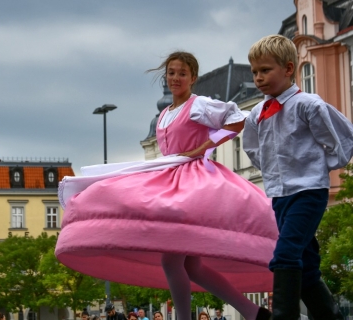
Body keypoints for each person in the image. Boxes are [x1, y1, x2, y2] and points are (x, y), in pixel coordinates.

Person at [55, 51, 278, 320]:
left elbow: (237, 118)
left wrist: (206, 146)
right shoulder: (164, 115)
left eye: (182, 73)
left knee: (171, 261)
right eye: (171, 73)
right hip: (173, 177)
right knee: (191, 266)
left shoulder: (198, 105)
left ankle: (219, 315)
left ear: (192, 78)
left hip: (192, 182)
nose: (175, 78)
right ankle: (254, 313)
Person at [244, 34, 353, 320]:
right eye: (255, 72)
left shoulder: (308, 105)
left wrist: (316, 167)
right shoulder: (257, 113)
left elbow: (339, 138)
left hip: (308, 191)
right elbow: (253, 148)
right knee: (306, 264)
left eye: (265, 70)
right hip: (280, 194)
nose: (259, 77)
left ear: (288, 69)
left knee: (286, 254)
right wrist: (272, 170)